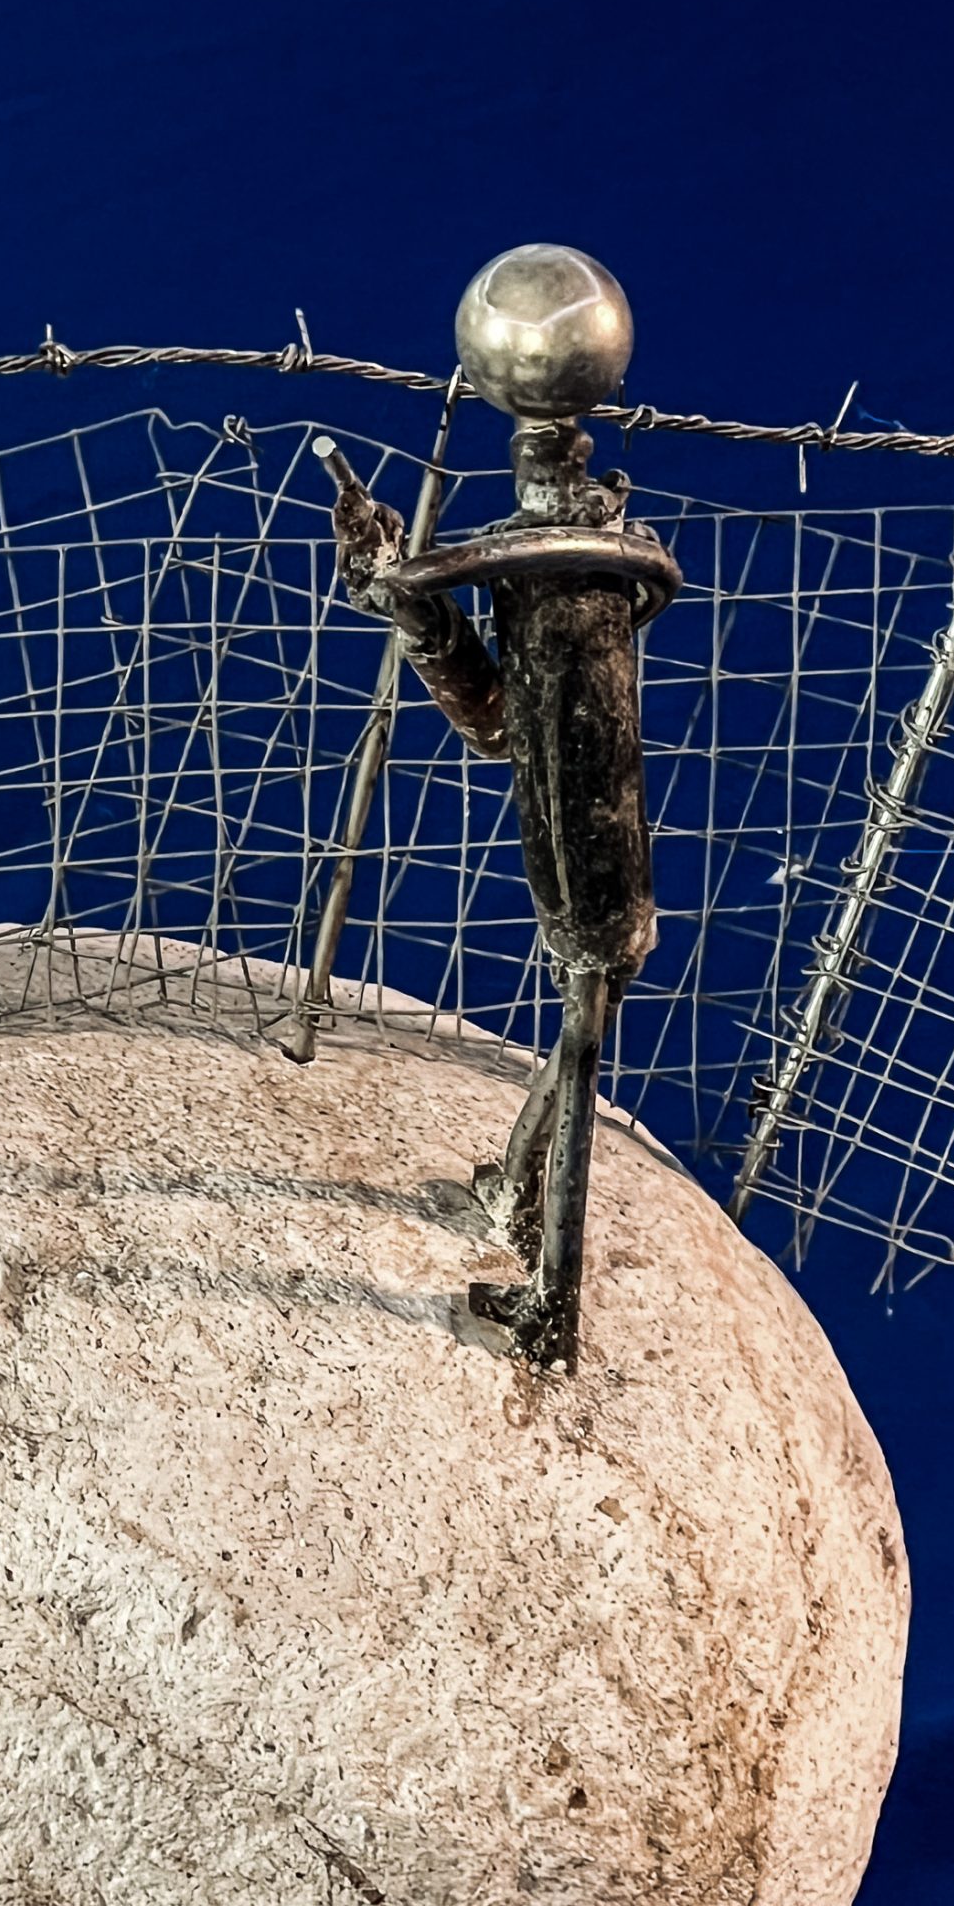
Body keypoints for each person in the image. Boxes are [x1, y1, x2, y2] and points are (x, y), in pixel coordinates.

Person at [324, 245, 681, 1372]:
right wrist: (408, 595)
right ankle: (515, 1187)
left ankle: (550, 1303)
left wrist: (406, 591)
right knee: (583, 1028)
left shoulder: (568, 584)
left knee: (581, 1037)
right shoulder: (589, 565)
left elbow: (504, 728)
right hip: (592, 833)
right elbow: (500, 716)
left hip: (584, 844)